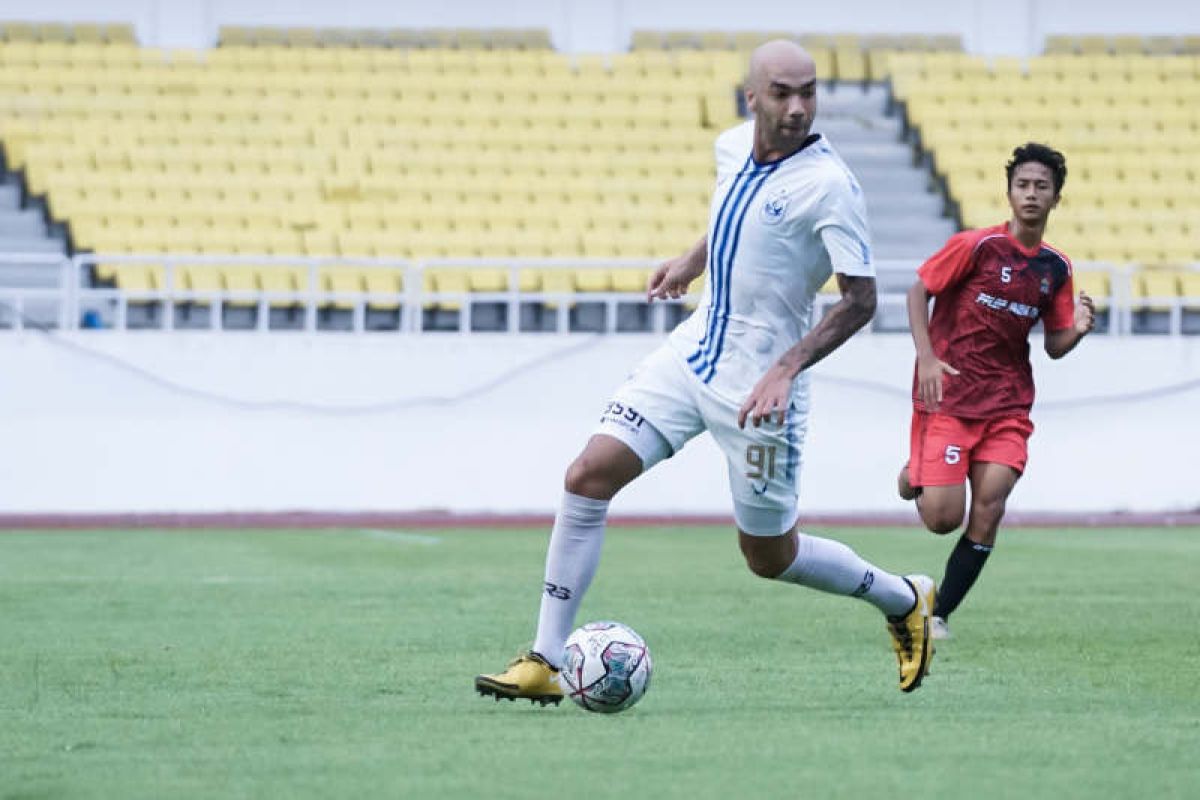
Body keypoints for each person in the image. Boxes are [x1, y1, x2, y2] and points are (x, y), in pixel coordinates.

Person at [475, 40, 936, 704]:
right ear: (752, 97)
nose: (798, 106)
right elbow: (736, 212)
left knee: (769, 557)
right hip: (692, 356)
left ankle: (902, 596)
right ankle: (546, 659)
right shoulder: (731, 146)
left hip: (761, 393)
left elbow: (862, 301)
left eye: (808, 91)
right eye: (782, 92)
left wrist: (784, 369)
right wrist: (693, 261)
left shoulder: (830, 186)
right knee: (587, 475)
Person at [897, 142, 1095, 640]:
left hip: (1007, 404)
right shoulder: (978, 246)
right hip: (951, 395)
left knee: (990, 505)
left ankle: (937, 614)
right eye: (1023, 185)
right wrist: (925, 356)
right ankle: (913, 475)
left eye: (1041, 187)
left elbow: (1053, 345)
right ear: (1009, 193)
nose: (1031, 194)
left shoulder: (1056, 268)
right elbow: (919, 289)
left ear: (1056, 199)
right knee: (943, 519)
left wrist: (1080, 330)